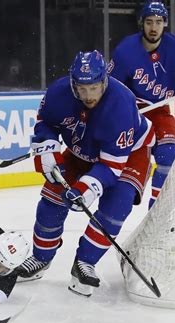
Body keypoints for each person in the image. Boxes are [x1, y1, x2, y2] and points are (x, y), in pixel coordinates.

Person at [16, 50, 156, 297]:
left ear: (104, 81)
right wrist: (48, 150)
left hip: (130, 153)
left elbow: (112, 166)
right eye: (82, 89)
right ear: (72, 83)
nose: (88, 96)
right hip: (83, 150)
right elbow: (45, 124)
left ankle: (85, 262)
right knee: (51, 199)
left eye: (94, 88)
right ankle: (41, 258)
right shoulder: (59, 93)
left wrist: (87, 187)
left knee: (117, 205)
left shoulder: (121, 103)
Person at [109, 1, 175, 208]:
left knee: (169, 154)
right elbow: (110, 89)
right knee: (126, 175)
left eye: (158, 22)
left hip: (161, 110)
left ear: (165, 23)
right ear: (142, 23)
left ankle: (157, 210)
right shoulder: (125, 51)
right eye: (149, 22)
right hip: (134, 113)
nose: (154, 27)